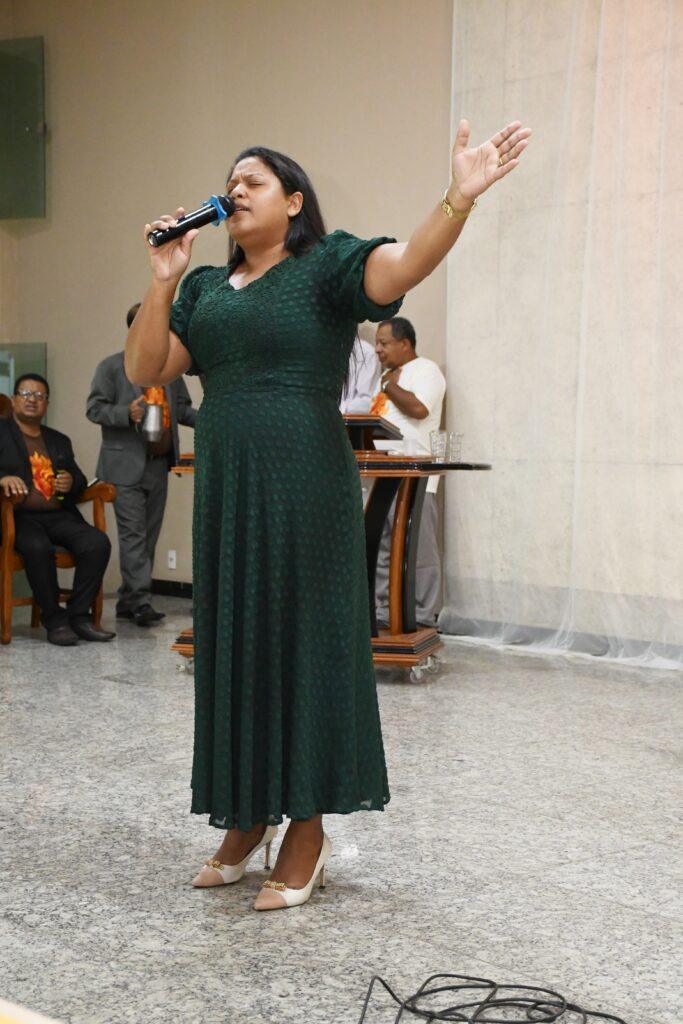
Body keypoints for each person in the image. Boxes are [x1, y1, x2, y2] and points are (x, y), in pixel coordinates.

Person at [125, 118, 531, 912]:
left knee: (305, 644)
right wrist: (163, 277)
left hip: (305, 482)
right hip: (229, 486)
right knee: (235, 643)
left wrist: (458, 197)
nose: (236, 189)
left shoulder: (325, 265)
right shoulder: (203, 289)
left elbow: (404, 264)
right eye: (230, 180)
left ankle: (306, 827)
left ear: (293, 200)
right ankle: (246, 814)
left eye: (254, 180)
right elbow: (147, 366)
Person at [86, 308, 197, 626]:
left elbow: (183, 410)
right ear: (134, 330)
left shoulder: (171, 372)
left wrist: (217, 420)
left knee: (149, 535)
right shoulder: (111, 367)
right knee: (133, 535)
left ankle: (128, 600)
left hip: (159, 465)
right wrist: (126, 413)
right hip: (123, 468)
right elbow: (94, 408)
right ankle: (139, 602)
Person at [0, 374, 114, 646]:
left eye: (39, 396)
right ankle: (55, 620)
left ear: (46, 404)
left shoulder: (59, 440)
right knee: (37, 546)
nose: (32, 400)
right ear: (14, 400)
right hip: (17, 516)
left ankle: (79, 616)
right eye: (26, 394)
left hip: (58, 515)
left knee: (97, 543)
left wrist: (71, 481)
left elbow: (80, 481)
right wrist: (2, 478)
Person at [370, 316, 446, 626]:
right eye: (376, 343)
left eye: (384, 343)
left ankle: (424, 616)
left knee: (420, 550)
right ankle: (383, 612)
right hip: (384, 475)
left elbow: (418, 409)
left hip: (416, 475)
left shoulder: (426, 370)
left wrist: (389, 386)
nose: (378, 349)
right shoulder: (384, 377)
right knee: (383, 547)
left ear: (404, 344)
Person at [339, 335, 381, 414]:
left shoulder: (366, 352)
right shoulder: (321, 351)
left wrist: (335, 409)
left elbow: (367, 402)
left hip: (346, 418)